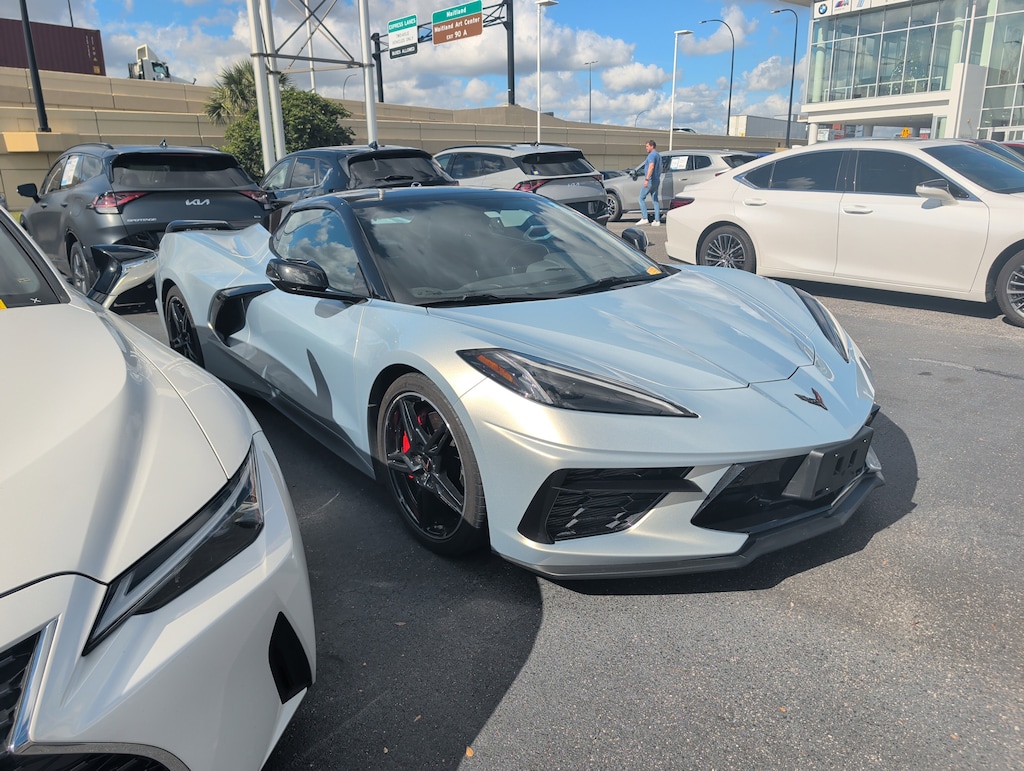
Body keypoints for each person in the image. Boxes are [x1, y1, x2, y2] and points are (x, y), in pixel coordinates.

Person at [638, 139, 662, 226]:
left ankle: (644, 218)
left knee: (641, 198)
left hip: (650, 180)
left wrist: (647, 179)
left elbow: (651, 166)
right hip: (656, 180)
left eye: (647, 146)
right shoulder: (658, 155)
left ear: (652, 146)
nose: (646, 148)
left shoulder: (651, 155)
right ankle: (657, 220)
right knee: (655, 200)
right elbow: (660, 168)